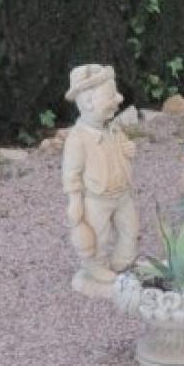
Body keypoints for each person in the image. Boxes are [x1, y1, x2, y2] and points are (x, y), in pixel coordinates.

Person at [61, 64, 139, 297]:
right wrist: (74, 200)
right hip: (97, 199)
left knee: (131, 231)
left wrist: (129, 149)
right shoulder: (77, 139)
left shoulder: (113, 129)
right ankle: (94, 267)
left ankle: (121, 263)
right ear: (88, 102)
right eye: (111, 95)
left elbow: (125, 150)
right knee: (98, 237)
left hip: (122, 195)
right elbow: (71, 174)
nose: (119, 98)